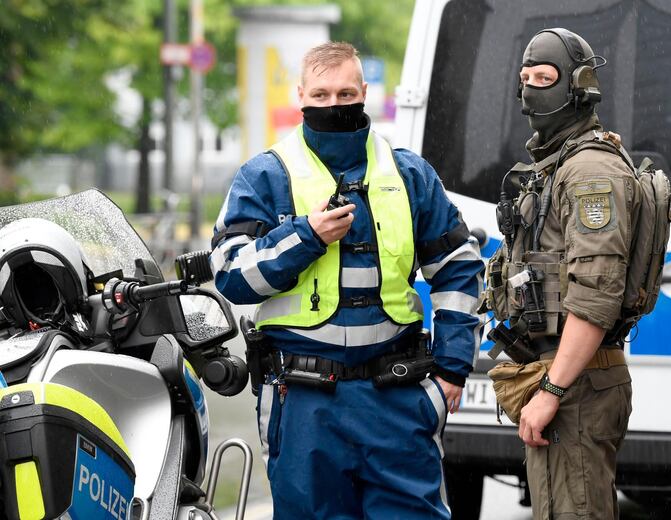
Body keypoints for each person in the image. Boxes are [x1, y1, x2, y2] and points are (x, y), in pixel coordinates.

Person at [210, 42, 484, 519]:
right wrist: (307, 236)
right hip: (303, 408)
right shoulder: (264, 176)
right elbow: (231, 274)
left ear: (363, 93)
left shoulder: (409, 173)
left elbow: (459, 266)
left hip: (399, 399)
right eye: (320, 94)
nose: (333, 105)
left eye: (344, 93)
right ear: (300, 96)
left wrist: (451, 372)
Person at [487, 28, 637, 519]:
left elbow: (596, 296)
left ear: (579, 85)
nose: (531, 90)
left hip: (575, 386)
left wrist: (551, 390)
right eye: (525, 78)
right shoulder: (558, 165)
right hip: (562, 379)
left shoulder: (591, 173)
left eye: (544, 77)